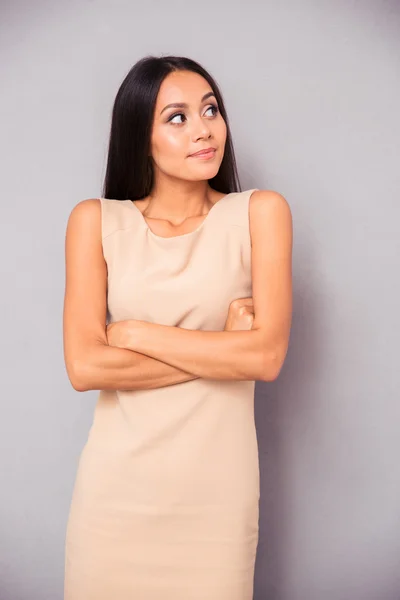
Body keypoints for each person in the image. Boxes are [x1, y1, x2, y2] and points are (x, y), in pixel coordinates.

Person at [62, 54, 293, 600]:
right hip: (115, 498)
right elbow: (85, 366)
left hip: (216, 501)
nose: (204, 129)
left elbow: (265, 359)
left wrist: (136, 334)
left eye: (210, 109)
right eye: (177, 117)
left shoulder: (261, 213)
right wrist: (224, 348)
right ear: (140, 136)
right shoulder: (95, 222)